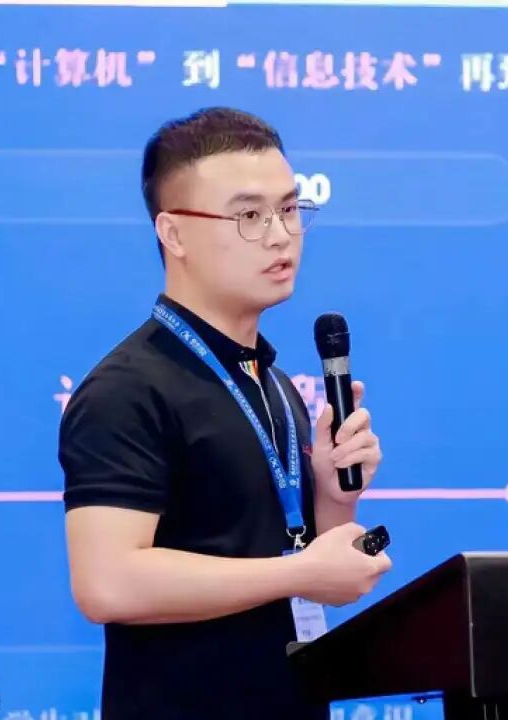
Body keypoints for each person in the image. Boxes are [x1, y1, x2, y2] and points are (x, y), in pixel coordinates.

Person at [58, 106, 391, 720]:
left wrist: (332, 495)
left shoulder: (272, 383)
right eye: (249, 216)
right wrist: (298, 575)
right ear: (174, 234)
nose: (280, 235)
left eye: (289, 209)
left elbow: (298, 562)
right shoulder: (128, 389)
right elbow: (108, 584)